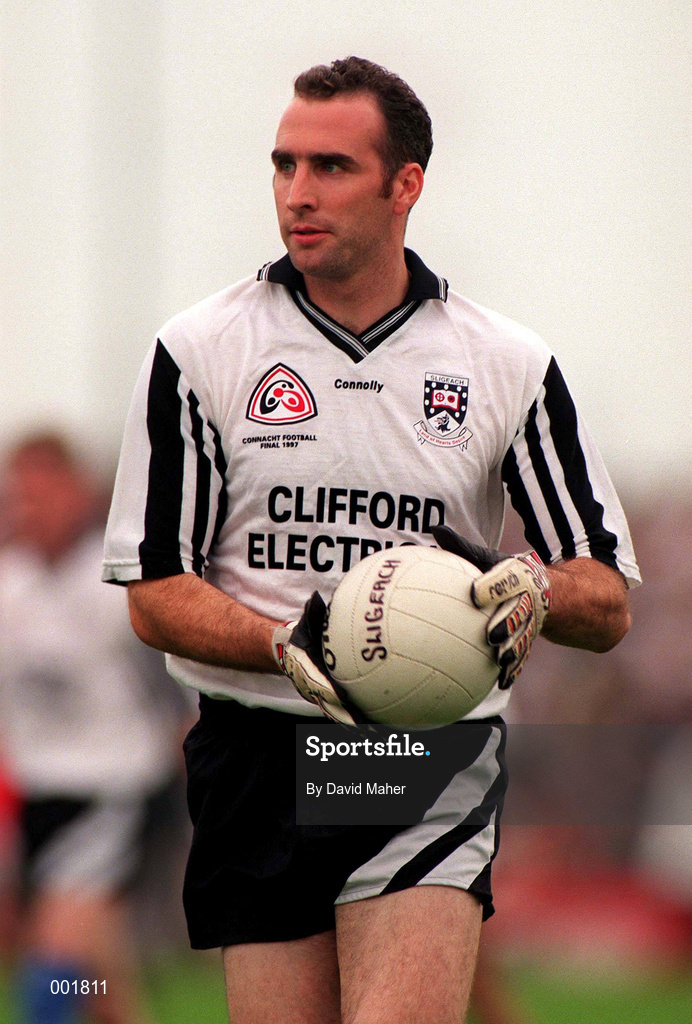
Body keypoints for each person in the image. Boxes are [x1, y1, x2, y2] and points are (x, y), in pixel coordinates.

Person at [103, 56, 640, 1024]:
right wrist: (283, 645)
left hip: (419, 748)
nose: (297, 194)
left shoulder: (504, 363)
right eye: (283, 165)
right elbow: (153, 591)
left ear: (404, 185)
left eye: (331, 167)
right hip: (253, 748)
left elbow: (604, 600)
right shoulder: (199, 348)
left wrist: (536, 592)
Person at [0, 432, 188, 1024]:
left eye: (43, 492)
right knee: (103, 984)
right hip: (40, 796)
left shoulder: (116, 585)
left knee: (54, 968)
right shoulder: (11, 583)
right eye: (19, 494)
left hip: (113, 792)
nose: (30, 507)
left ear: (79, 494)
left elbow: (178, 692)